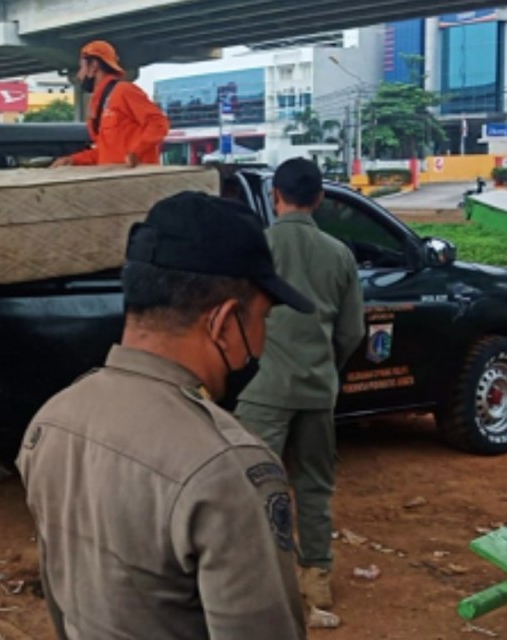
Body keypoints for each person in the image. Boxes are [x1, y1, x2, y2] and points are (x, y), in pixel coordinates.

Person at [18, 191, 315, 640]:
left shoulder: (51, 422)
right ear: (223, 321)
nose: (260, 339)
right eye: (262, 320)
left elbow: (61, 600)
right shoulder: (227, 467)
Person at [235, 158, 365, 618]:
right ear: (320, 200)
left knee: (251, 490)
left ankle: (258, 584)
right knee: (314, 488)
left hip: (263, 391)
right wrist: (326, 366)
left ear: (276, 196)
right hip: (317, 390)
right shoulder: (339, 254)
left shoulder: (258, 248)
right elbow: (352, 331)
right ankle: (317, 583)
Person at [50, 40, 169, 168]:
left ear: (93, 66)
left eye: (81, 67)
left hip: (135, 180)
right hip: (112, 180)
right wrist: (73, 160)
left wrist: (136, 153)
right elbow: (103, 153)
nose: (79, 75)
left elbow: (158, 123)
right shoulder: (97, 104)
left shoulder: (124, 91)